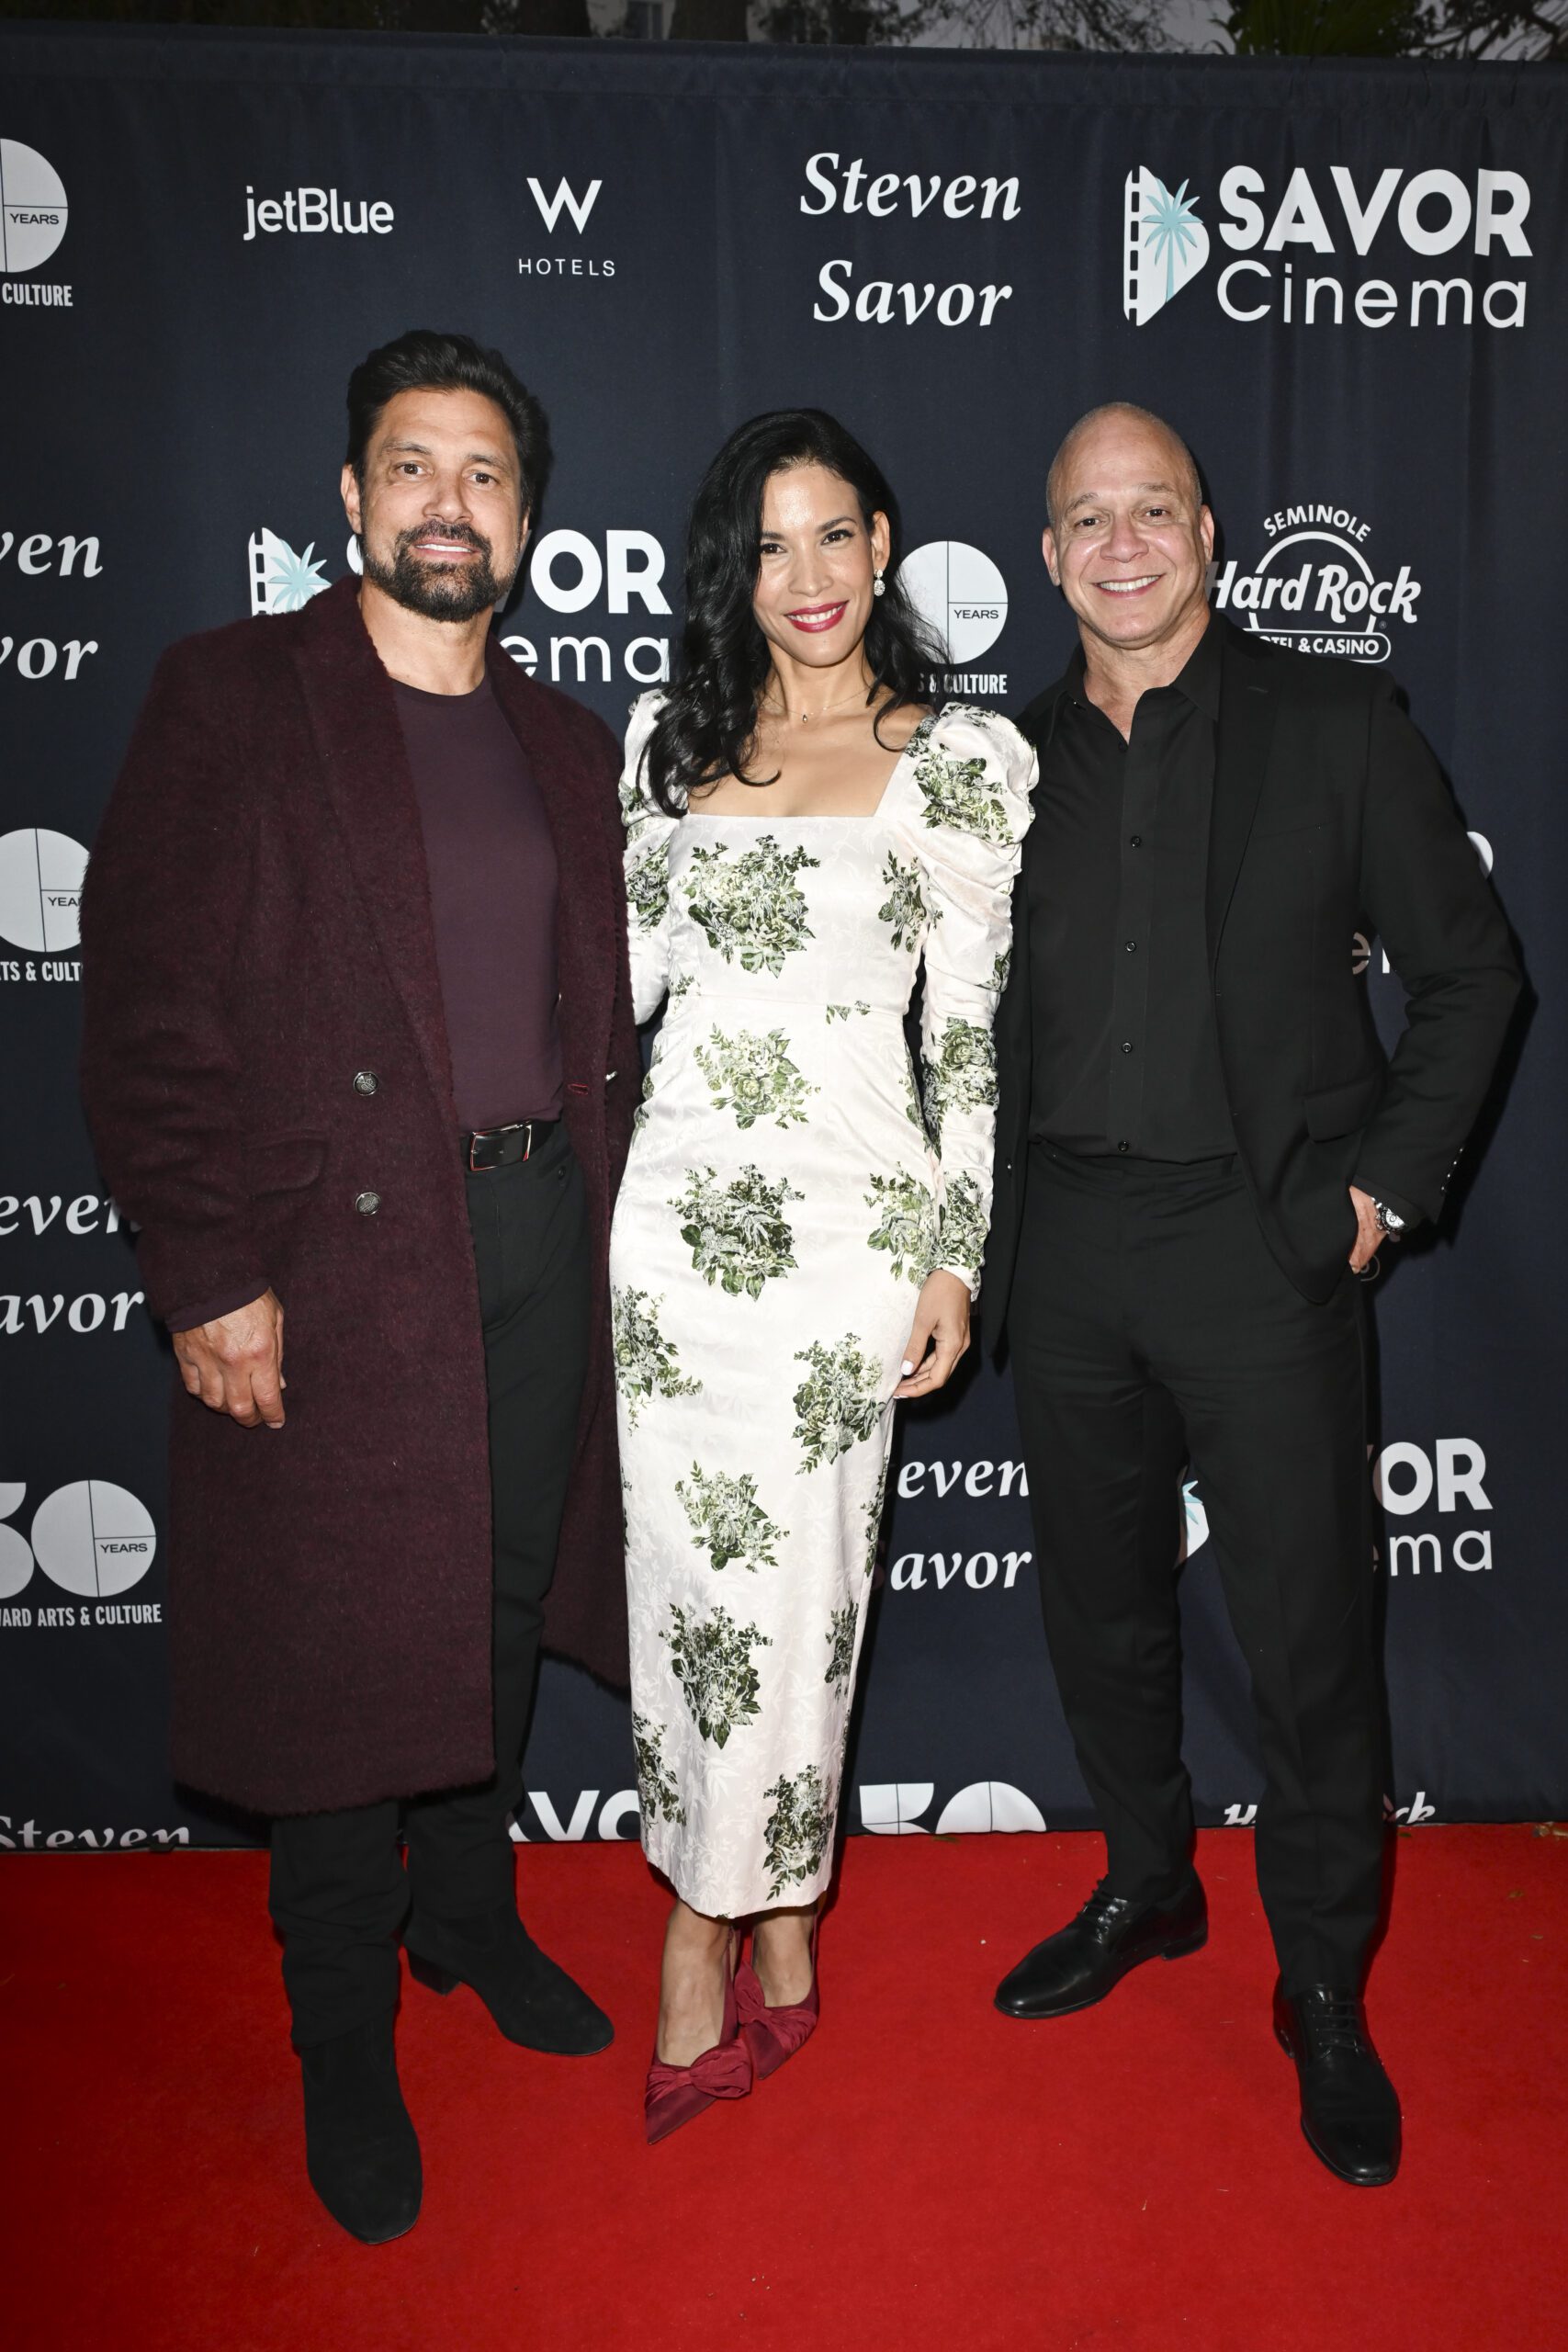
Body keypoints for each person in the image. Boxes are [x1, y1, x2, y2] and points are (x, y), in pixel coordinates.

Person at [79, 330, 640, 2244]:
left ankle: (465, 1915)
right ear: (348, 496)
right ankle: (340, 2025)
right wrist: (205, 1272)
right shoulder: (231, 695)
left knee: (492, 1605)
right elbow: (147, 1013)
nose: (446, 505)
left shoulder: (567, 744)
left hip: (540, 1234)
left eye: (483, 474)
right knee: (340, 1655)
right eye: (412, 466)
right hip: (328, 1265)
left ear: (528, 520)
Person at [987, 402, 1519, 2187]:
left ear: (1208, 532)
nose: (1121, 544)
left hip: (1262, 1245)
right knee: (1099, 1609)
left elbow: (1470, 976)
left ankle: (1322, 1981)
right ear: (1047, 555)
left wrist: (1377, 1189)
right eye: (1087, 519)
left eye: (1152, 510)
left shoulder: (1333, 723)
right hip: (1064, 1248)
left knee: (1304, 1642)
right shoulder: (997, 767)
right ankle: (1147, 1881)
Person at [612, 409, 1035, 2140]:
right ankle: (775, 1911)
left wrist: (953, 1256)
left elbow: (970, 1042)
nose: (808, 577)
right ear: (736, 568)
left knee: (798, 1603)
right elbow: (617, 1001)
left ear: (883, 546)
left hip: (850, 1236)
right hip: (671, 1243)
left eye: (835, 536)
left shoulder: (959, 761)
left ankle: (701, 1936)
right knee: (687, 1609)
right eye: (771, 545)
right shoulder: (666, 746)